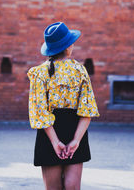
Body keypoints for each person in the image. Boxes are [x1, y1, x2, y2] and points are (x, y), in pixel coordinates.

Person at [27, 22, 100, 190]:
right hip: (76, 129)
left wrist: (55, 142)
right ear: (68, 47)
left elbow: (39, 113)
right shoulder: (80, 71)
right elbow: (87, 110)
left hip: (49, 133)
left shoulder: (39, 73)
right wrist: (76, 140)